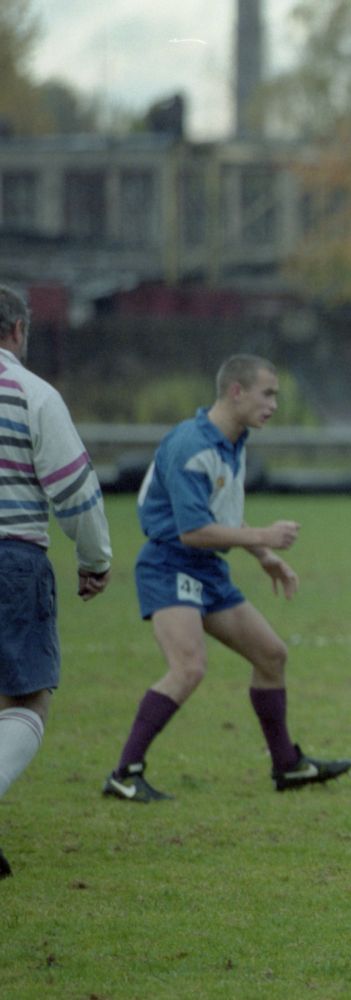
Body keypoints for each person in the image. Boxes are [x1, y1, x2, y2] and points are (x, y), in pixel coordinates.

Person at [103, 355, 351, 802]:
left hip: (208, 569)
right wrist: (264, 536)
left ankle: (287, 766)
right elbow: (192, 531)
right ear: (236, 391)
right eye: (267, 394)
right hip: (170, 564)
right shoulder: (191, 445)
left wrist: (264, 556)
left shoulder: (233, 441)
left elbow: (222, 516)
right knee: (188, 668)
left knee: (271, 655)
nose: (274, 405)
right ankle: (125, 773)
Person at [0, 285, 112, 879]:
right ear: (18, 330)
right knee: (26, 701)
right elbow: (74, 490)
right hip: (11, 557)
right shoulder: (32, 393)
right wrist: (95, 559)